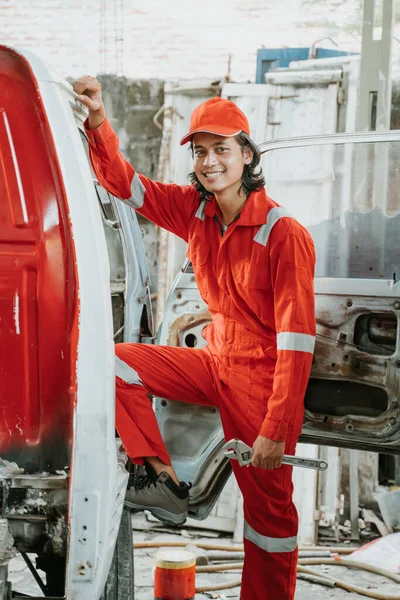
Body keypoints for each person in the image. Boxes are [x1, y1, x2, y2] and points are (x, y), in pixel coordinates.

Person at [73, 75, 316, 600]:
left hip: (261, 383)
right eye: (201, 151)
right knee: (112, 362)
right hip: (214, 361)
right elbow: (124, 184)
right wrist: (97, 120)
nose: (210, 162)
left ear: (247, 155)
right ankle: (162, 479)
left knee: (268, 515)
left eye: (222, 150)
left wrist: (276, 428)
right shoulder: (195, 211)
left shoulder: (283, 233)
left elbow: (297, 342)